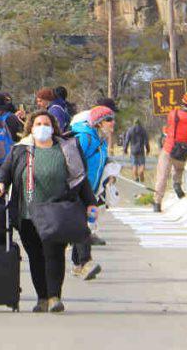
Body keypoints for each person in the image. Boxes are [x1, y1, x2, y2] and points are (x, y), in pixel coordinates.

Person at [0, 110, 96, 313]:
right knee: (36, 257)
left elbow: (80, 179)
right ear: (31, 128)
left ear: (53, 127)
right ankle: (41, 297)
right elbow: (5, 171)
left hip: (57, 212)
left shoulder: (66, 148)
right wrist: (0, 184)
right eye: (38, 123)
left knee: (54, 254)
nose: (42, 127)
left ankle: (54, 297)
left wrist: (90, 203)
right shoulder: (20, 149)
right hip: (28, 214)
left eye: (46, 123)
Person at [69, 106, 112, 280]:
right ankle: (86, 262)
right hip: (78, 189)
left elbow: (100, 161)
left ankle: (78, 265)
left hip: (91, 190)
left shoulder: (100, 141)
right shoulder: (84, 138)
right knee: (82, 227)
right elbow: (73, 163)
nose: (112, 123)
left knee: (83, 226)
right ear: (99, 123)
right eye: (108, 120)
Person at [154, 93, 187, 213]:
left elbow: (169, 126)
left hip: (169, 148)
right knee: (179, 169)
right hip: (183, 151)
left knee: (162, 176)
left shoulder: (174, 113)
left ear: (182, 103)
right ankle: (177, 183)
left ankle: (157, 203)